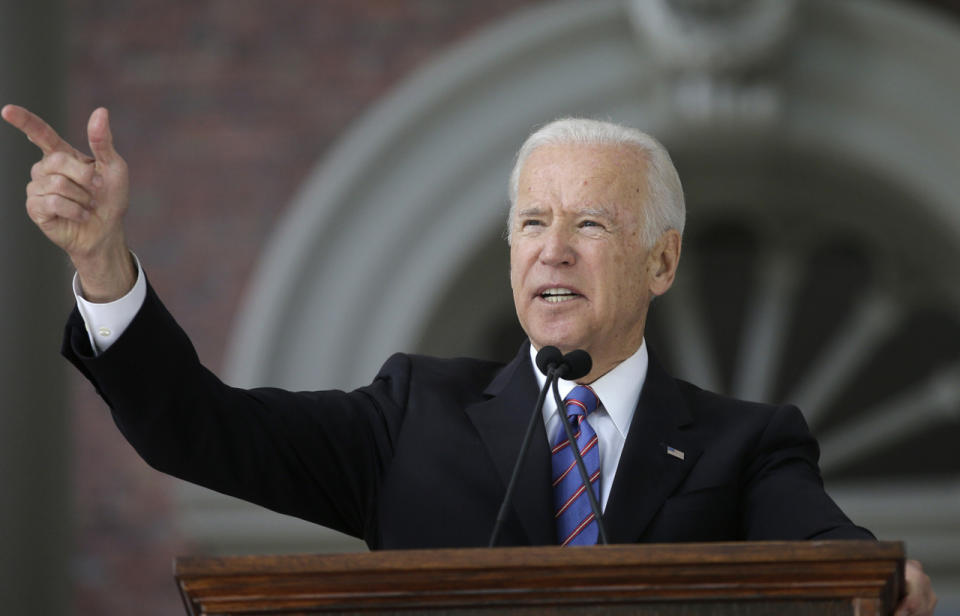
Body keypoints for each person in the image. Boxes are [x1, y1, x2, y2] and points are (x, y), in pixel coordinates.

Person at [3, 104, 937, 614]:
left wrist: (882, 588)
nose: (552, 250)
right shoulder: (412, 415)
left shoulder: (747, 445)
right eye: (532, 222)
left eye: (590, 225)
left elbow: (829, 554)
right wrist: (102, 263)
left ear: (663, 259)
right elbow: (199, 429)